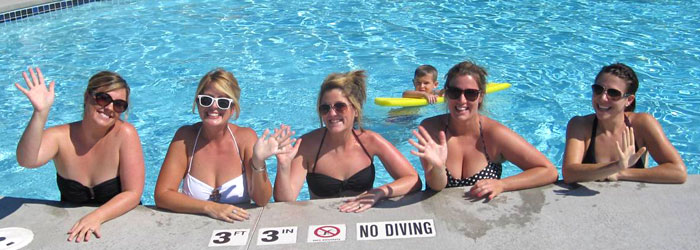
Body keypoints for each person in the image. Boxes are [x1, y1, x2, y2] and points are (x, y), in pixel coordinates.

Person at [15, 67, 145, 243]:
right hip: (72, 234)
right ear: (87, 97)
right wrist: (40, 113)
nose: (109, 108)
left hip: (121, 228)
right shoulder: (60, 137)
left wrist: (96, 217)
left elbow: (133, 193)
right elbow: (26, 160)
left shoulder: (125, 134)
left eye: (119, 104)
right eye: (103, 98)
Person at [273, 70, 421, 212]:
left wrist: (380, 192)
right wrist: (283, 166)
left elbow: (413, 180)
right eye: (325, 108)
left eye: (340, 106)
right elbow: (286, 201)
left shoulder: (370, 141)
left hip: (360, 219)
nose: (332, 114)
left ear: (355, 109)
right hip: (321, 224)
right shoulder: (307, 145)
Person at [154, 68, 289, 222]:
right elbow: (162, 195)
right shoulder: (185, 138)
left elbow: (262, 200)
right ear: (198, 103)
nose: (213, 107)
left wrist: (258, 162)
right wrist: (210, 207)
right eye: (207, 100)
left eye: (223, 102)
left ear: (232, 109)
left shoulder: (244, 138)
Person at [409, 61, 557, 200]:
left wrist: (503, 185)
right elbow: (436, 186)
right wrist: (439, 168)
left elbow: (548, 170)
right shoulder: (431, 128)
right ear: (446, 94)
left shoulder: (494, 134)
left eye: (471, 93)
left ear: (480, 97)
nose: (462, 100)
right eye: (455, 92)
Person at [562, 63, 686, 184]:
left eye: (613, 93)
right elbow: (569, 173)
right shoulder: (580, 125)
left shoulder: (642, 124)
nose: (602, 98)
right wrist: (615, 166)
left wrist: (621, 172)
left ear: (629, 100)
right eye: (598, 89)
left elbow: (678, 171)